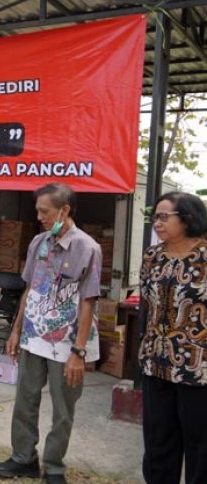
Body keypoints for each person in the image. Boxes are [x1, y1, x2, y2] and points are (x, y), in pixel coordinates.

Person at [0, 183, 101, 484]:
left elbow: (89, 302)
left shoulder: (88, 248)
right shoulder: (38, 242)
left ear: (64, 210)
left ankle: (53, 467)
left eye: (44, 210)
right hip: (33, 336)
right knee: (24, 399)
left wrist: (78, 352)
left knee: (63, 407)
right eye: (38, 210)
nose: (39, 216)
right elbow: (30, 288)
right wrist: (16, 330)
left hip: (67, 343)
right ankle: (23, 458)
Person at [137, 192, 207, 484]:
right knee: (158, 442)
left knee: (201, 446)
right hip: (157, 363)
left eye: (165, 217)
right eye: (156, 217)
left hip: (199, 369)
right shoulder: (153, 256)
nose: (158, 223)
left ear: (188, 218)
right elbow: (146, 301)